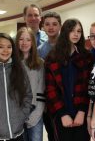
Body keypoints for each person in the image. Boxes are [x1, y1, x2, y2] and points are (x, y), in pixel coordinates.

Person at [45, 19, 93, 141]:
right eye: (72, 31)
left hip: (81, 114)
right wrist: (62, 113)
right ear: (65, 32)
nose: (76, 34)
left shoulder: (86, 56)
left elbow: (88, 87)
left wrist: (82, 111)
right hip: (60, 114)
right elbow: (50, 89)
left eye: (79, 31)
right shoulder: (52, 57)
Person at [16, 27, 45, 141]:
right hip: (17, 115)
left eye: (28, 39)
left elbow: (41, 90)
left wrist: (35, 115)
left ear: (33, 42)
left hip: (35, 114)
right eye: (21, 39)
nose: (24, 43)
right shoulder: (11, 63)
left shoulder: (40, 63)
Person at [37, 11, 62, 141]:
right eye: (47, 24)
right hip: (49, 100)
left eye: (54, 24)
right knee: (52, 133)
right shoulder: (40, 50)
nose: (51, 27)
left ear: (60, 26)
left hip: (65, 100)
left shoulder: (68, 46)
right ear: (43, 27)